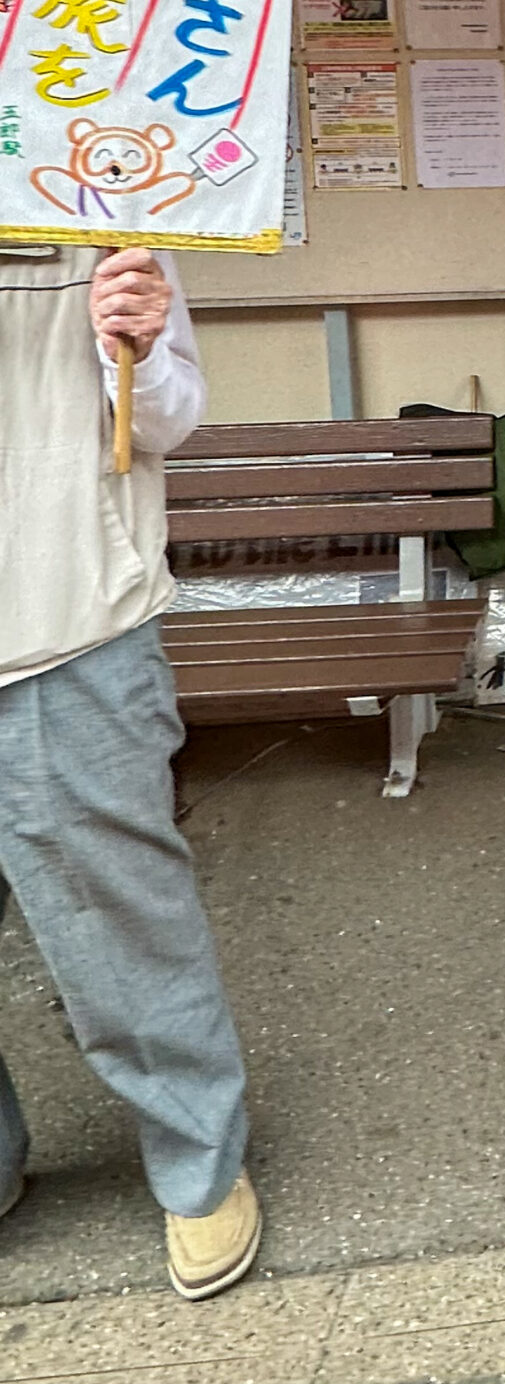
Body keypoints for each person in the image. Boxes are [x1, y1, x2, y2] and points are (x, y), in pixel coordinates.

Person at [0, 243, 259, 1299]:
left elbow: (170, 419)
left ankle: (202, 1169)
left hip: (72, 634)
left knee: (124, 933)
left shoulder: (98, 224)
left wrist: (142, 348)